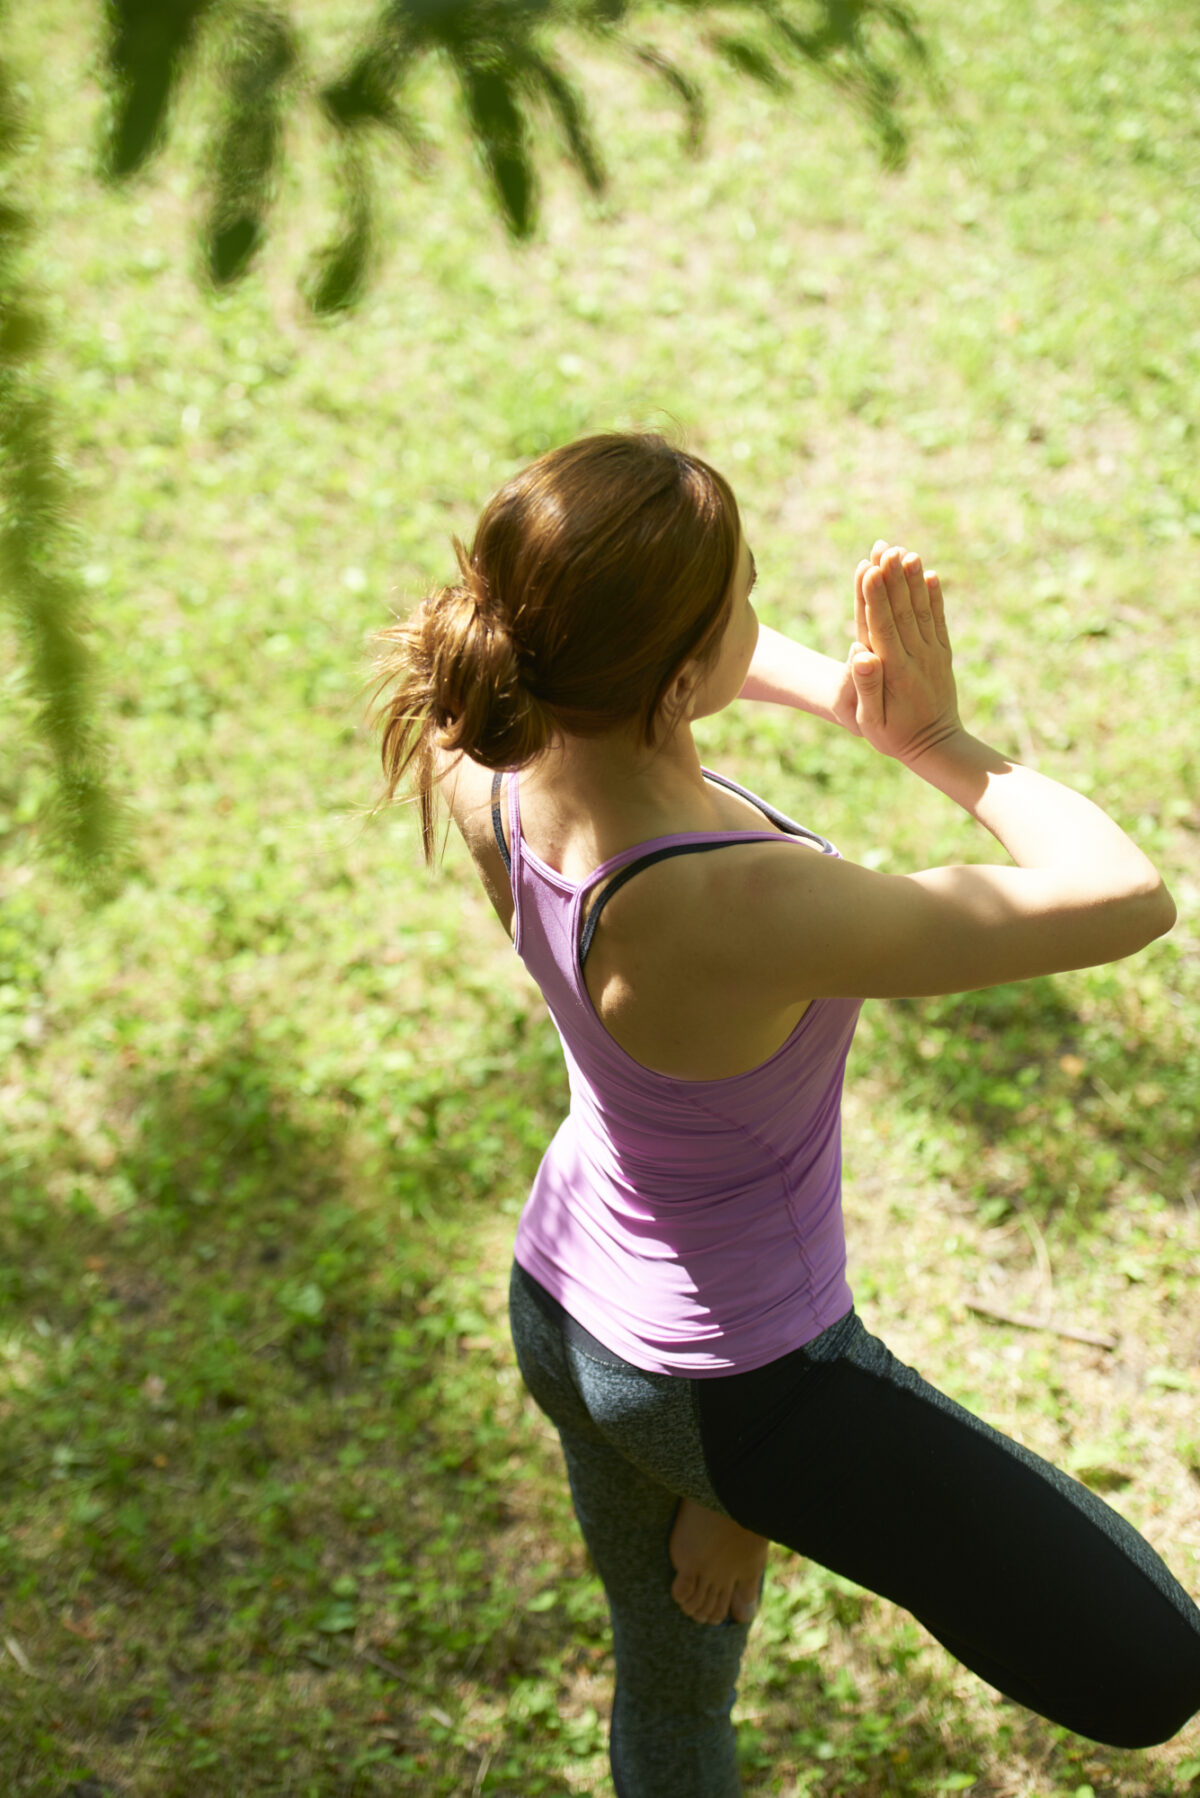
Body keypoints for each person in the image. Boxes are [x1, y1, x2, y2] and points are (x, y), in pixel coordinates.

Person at [366, 431, 1200, 1796]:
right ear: (673, 676)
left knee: (671, 1685)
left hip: (562, 1305)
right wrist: (935, 742)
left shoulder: (491, 760)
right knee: (1154, 1662)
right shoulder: (745, 906)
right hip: (744, 1376)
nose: (764, 619)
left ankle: (724, 1484)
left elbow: (643, 652)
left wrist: (840, 691)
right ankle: (733, 1478)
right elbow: (1125, 896)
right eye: (746, 596)